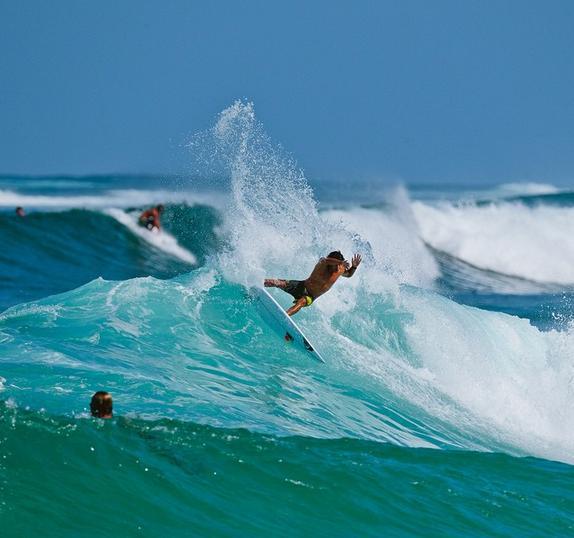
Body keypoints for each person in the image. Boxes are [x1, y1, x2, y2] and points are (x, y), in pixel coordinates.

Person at [264, 250, 362, 316]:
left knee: (301, 302)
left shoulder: (340, 269)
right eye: (335, 264)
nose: (336, 267)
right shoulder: (323, 263)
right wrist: (338, 262)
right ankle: (257, 281)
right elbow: (326, 260)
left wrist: (354, 267)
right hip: (301, 286)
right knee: (276, 282)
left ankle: (285, 316)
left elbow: (348, 274)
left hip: (310, 296)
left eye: (338, 264)